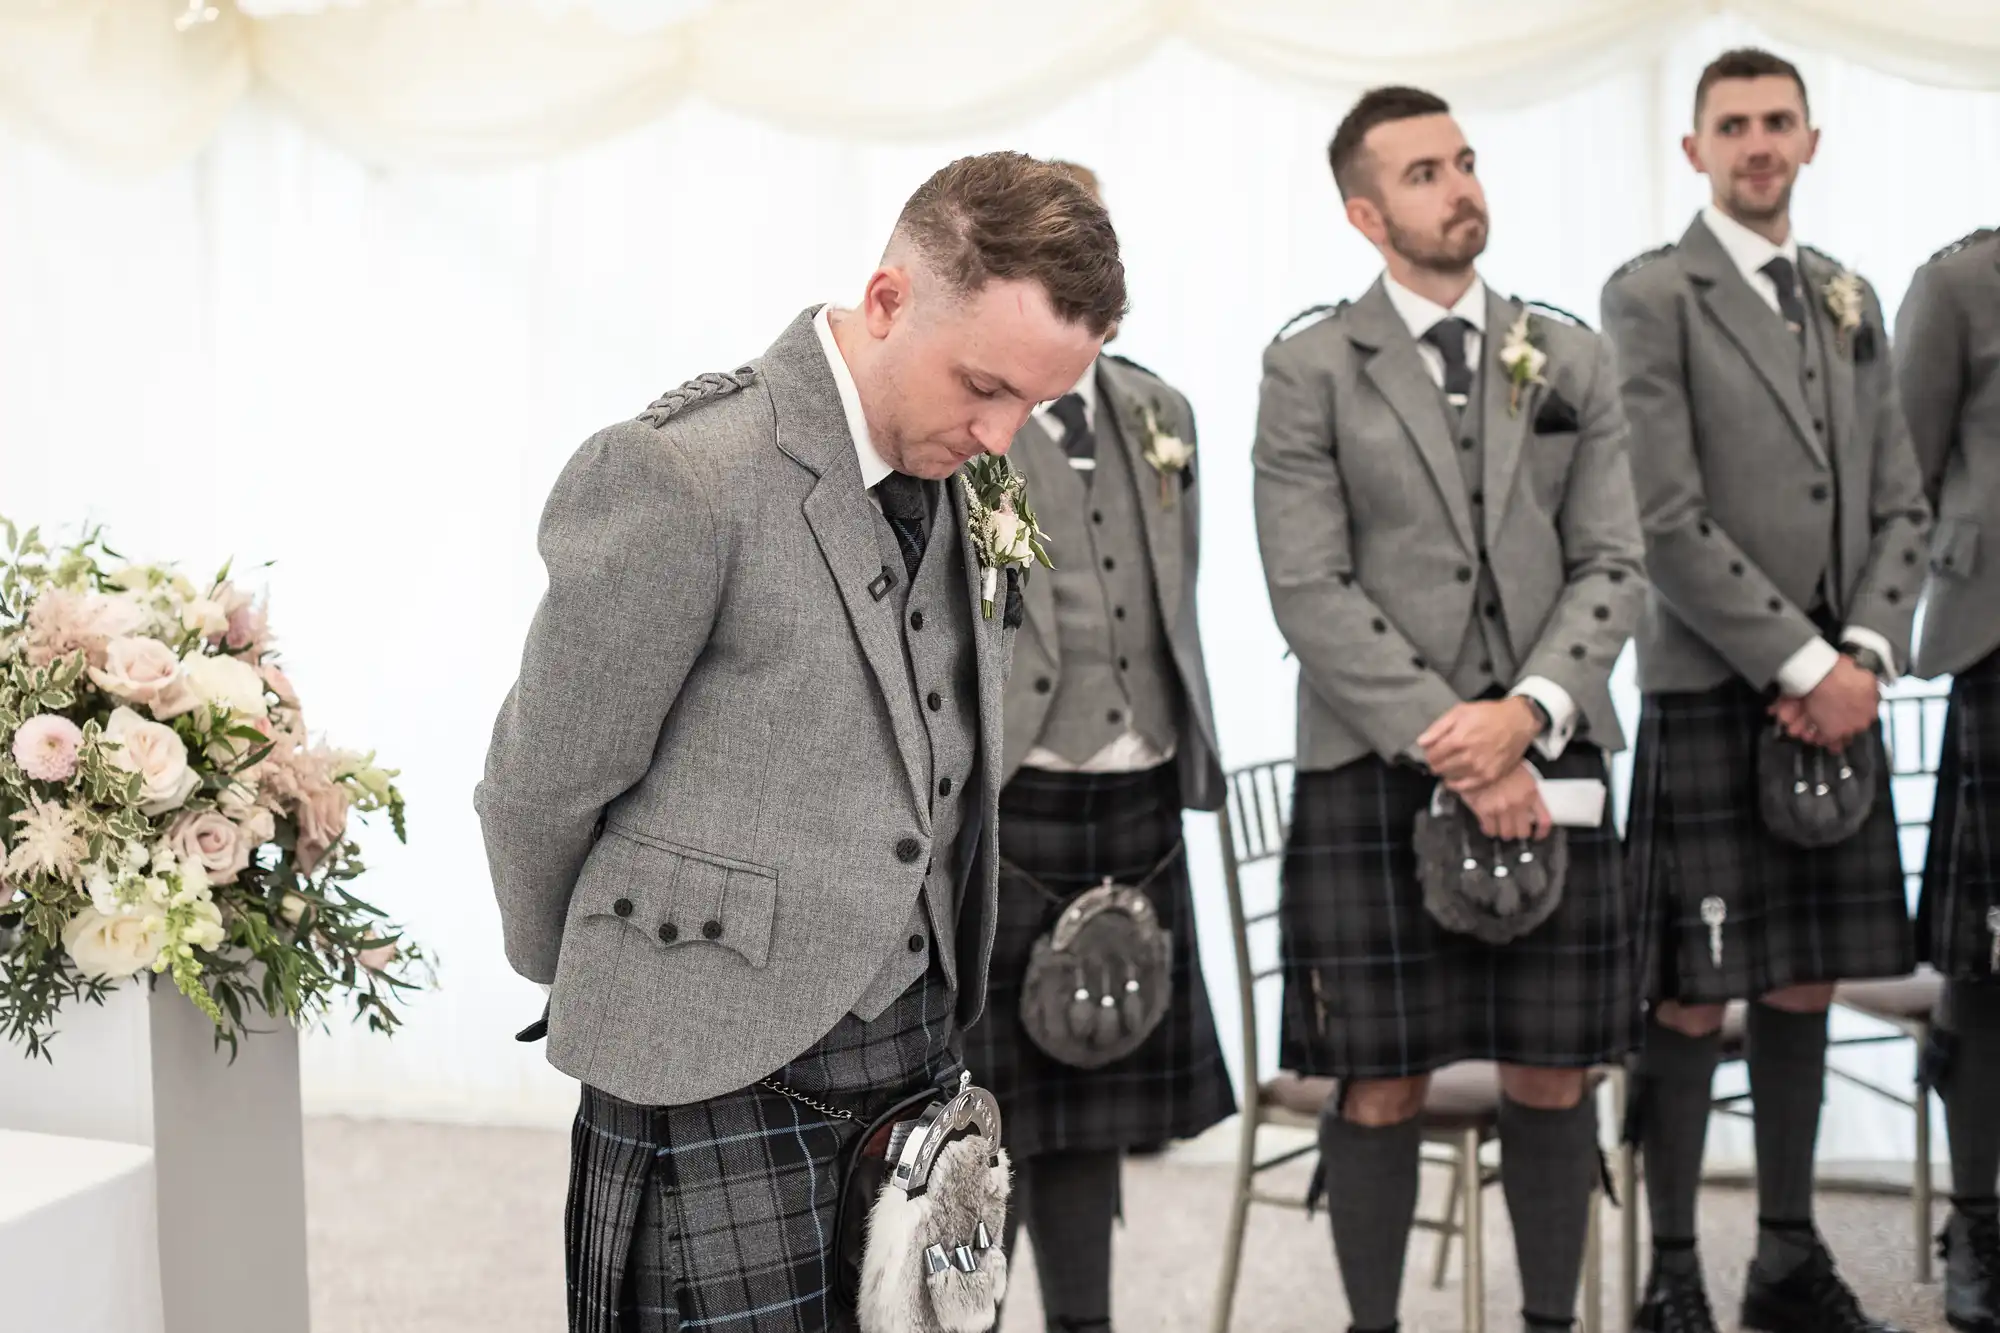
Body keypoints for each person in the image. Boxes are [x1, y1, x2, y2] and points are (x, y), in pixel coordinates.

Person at [475, 151, 1125, 1333]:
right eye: (983, 385)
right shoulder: (682, 471)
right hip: (703, 1042)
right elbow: (541, 779)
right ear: (886, 301)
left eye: (1034, 404)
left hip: (918, 1040)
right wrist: (597, 973)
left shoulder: (969, 466)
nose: (999, 433)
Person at [1253, 85, 1645, 1333]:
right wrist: (1456, 741)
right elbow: (1304, 588)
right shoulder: (1308, 364)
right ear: (1364, 212)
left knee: (1550, 1065)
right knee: (1378, 1079)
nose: (1458, 186)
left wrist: (1524, 714)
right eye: (1422, 172)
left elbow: (1613, 563)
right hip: (1374, 766)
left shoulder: (1567, 352)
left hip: (1549, 753)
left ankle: (1547, 1323)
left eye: (1464, 161)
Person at [1602, 47, 1931, 1333]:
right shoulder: (1650, 295)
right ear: (1691, 150)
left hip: (1839, 689)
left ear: (1808, 137)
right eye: (1729, 124)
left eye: (1774, 121)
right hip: (1710, 691)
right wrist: (1802, 667)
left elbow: (1900, 502)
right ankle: (1672, 1269)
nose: (1754, 142)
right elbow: (1663, 520)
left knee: (1802, 978)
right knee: (1693, 987)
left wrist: (1860, 657)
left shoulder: (1847, 294)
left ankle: (1785, 1259)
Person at [960, 161, 1236, 1333]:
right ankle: (963, 1312)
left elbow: (1175, 593)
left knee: (1094, 1098)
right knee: (993, 1115)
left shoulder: (1160, 412)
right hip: (1018, 791)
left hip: (1137, 790)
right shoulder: (972, 417)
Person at [1896, 222, 2000, 1333]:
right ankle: (1976, 1224)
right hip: (1996, 652)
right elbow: (1904, 481)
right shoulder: (1959, 283)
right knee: (1989, 959)